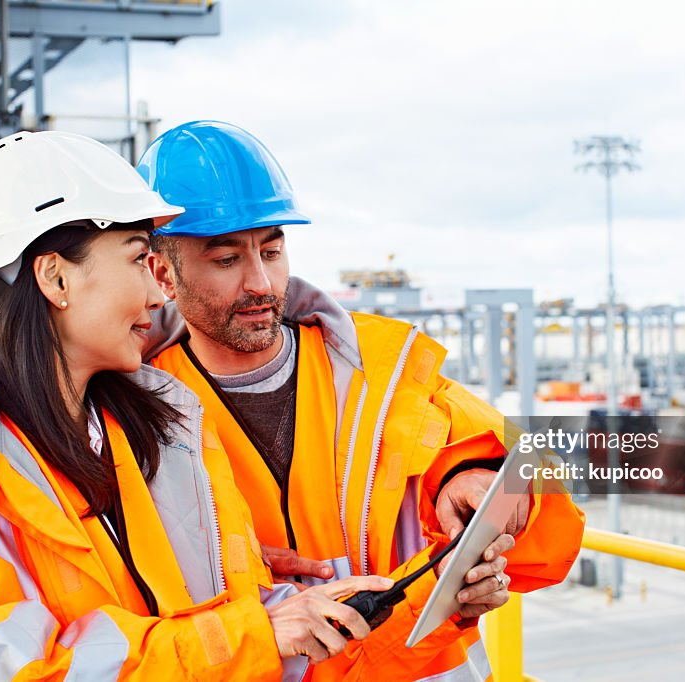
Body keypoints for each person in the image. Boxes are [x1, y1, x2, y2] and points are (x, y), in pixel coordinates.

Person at [0, 130, 396, 680]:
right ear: (56, 277)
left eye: (272, 251)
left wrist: (325, 608)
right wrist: (257, 632)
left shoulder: (164, 428)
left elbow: (513, 450)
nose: (158, 296)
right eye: (138, 261)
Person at [139, 121, 586, 681]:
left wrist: (470, 475)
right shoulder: (135, 409)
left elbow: (534, 476)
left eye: (272, 252)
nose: (261, 282)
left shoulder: (382, 369)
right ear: (163, 274)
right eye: (227, 260)